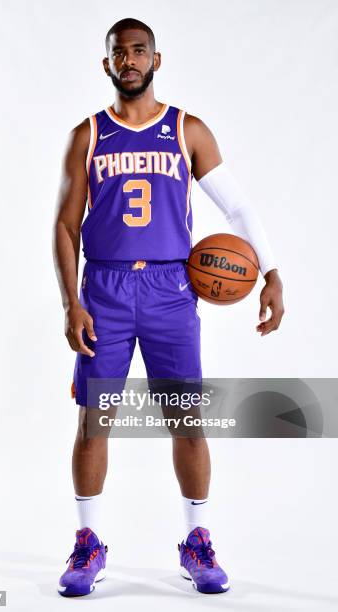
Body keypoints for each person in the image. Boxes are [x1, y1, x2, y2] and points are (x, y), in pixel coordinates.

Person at [53, 17, 284, 597]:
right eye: (118, 53)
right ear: (106, 64)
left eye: (139, 51)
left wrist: (272, 271)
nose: (129, 60)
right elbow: (64, 224)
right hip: (103, 291)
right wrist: (70, 302)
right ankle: (88, 545)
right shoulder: (88, 135)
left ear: (157, 60)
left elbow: (237, 209)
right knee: (95, 421)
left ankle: (197, 541)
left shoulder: (187, 130)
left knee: (186, 420)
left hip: (170, 291)